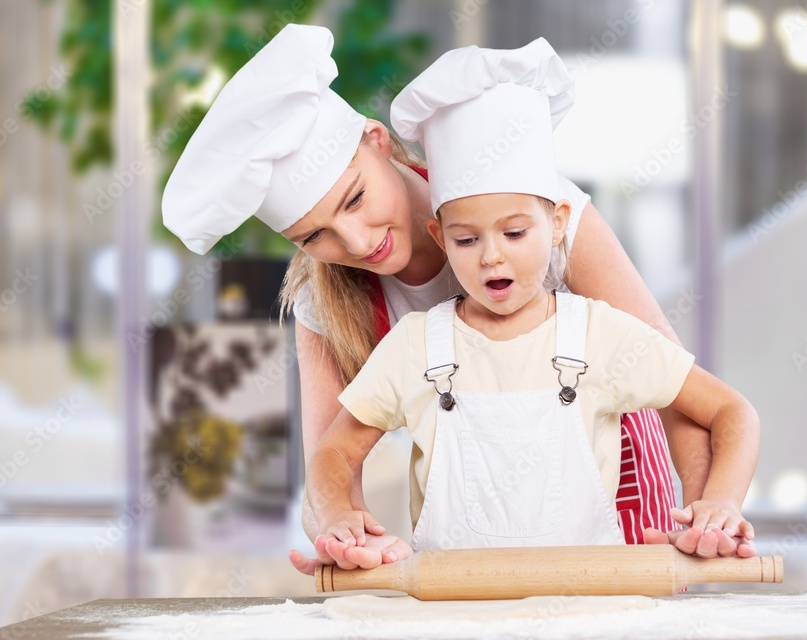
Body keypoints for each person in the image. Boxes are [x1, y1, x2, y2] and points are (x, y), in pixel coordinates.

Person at [161, 23, 753, 567]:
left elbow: (687, 403)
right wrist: (337, 532)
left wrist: (703, 521)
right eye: (314, 236)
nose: (357, 241)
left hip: (613, 494)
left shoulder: (534, 207)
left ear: (378, 141)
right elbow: (329, 461)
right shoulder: (326, 297)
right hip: (473, 552)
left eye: (355, 200)